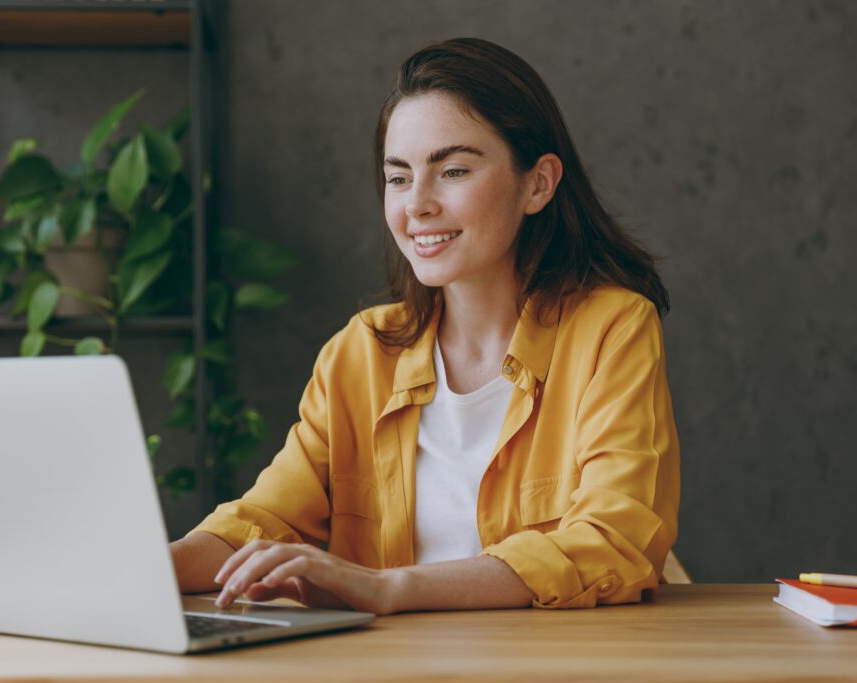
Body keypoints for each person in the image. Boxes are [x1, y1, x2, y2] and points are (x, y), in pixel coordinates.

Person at [169, 37, 680, 614]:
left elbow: (613, 542)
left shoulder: (612, 327)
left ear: (537, 184)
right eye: (398, 177)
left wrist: (388, 587)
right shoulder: (360, 351)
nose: (417, 205)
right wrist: (142, 568)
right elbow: (264, 520)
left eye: (453, 170)